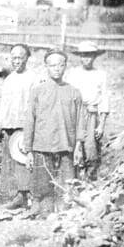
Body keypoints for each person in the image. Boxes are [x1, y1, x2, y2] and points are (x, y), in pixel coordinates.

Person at [23, 50, 84, 217]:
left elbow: (80, 120)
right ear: (46, 67)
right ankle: (42, 211)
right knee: (42, 187)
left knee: (68, 186)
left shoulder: (74, 92)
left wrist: (78, 145)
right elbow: (30, 121)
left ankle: (64, 213)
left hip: (66, 145)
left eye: (60, 65)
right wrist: (28, 150)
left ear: (65, 66)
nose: (57, 69)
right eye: (52, 65)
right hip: (42, 146)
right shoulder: (37, 92)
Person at [0, 44, 38, 209]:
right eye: (14, 57)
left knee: (24, 161)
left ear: (27, 58)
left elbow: (36, 106)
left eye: (20, 57)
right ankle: (16, 196)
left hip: (24, 127)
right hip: (8, 126)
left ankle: (29, 195)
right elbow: (3, 106)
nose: (17, 61)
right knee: (10, 163)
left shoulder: (34, 78)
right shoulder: (9, 79)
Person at [65, 41, 109, 181]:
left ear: (95, 57)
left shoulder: (100, 74)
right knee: (73, 144)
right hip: (75, 113)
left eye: (90, 56)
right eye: (84, 56)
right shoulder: (73, 73)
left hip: (91, 114)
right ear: (80, 57)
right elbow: (68, 95)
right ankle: (74, 179)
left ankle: (90, 180)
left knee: (91, 146)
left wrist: (101, 124)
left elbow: (104, 99)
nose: (87, 59)